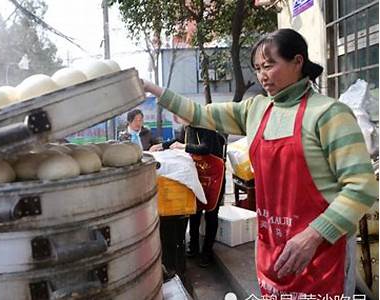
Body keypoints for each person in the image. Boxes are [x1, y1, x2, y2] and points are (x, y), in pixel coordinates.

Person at [143, 28, 378, 297]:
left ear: (298, 62)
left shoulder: (329, 114)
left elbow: (361, 188)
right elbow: (196, 112)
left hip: (321, 252)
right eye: (257, 68)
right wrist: (151, 88)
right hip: (273, 247)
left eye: (269, 65)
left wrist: (313, 236)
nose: (262, 75)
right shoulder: (255, 109)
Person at [150, 116, 226, 268]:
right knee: (195, 212)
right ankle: (193, 247)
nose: (176, 119)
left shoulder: (206, 125)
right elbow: (178, 140)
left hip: (213, 177)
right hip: (199, 174)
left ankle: (207, 253)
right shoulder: (187, 127)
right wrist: (161, 145)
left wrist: (183, 146)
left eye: (178, 116)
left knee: (211, 215)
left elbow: (205, 148)